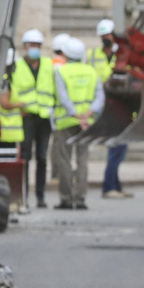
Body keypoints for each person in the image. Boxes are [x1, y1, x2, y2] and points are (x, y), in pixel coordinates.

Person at [50, 37, 103, 210]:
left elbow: (62, 96)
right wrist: (87, 115)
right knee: (82, 160)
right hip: (87, 123)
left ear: (66, 54)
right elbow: (99, 97)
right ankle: (80, 198)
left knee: (64, 160)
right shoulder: (91, 71)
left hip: (66, 121)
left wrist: (75, 114)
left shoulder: (61, 72)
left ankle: (66, 198)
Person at [7, 28, 55, 210]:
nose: (34, 48)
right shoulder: (16, 66)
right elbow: (11, 88)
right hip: (25, 116)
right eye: (31, 45)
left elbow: (54, 88)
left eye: (37, 45)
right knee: (25, 157)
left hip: (44, 117)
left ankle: (40, 196)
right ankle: (24, 195)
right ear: (25, 47)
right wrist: (18, 107)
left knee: (42, 157)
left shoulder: (48, 65)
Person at [92, 19, 132, 200]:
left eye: (107, 35)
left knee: (119, 147)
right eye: (102, 36)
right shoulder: (92, 54)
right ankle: (109, 187)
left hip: (121, 103)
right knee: (116, 147)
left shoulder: (123, 54)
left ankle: (115, 185)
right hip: (105, 105)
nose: (105, 38)